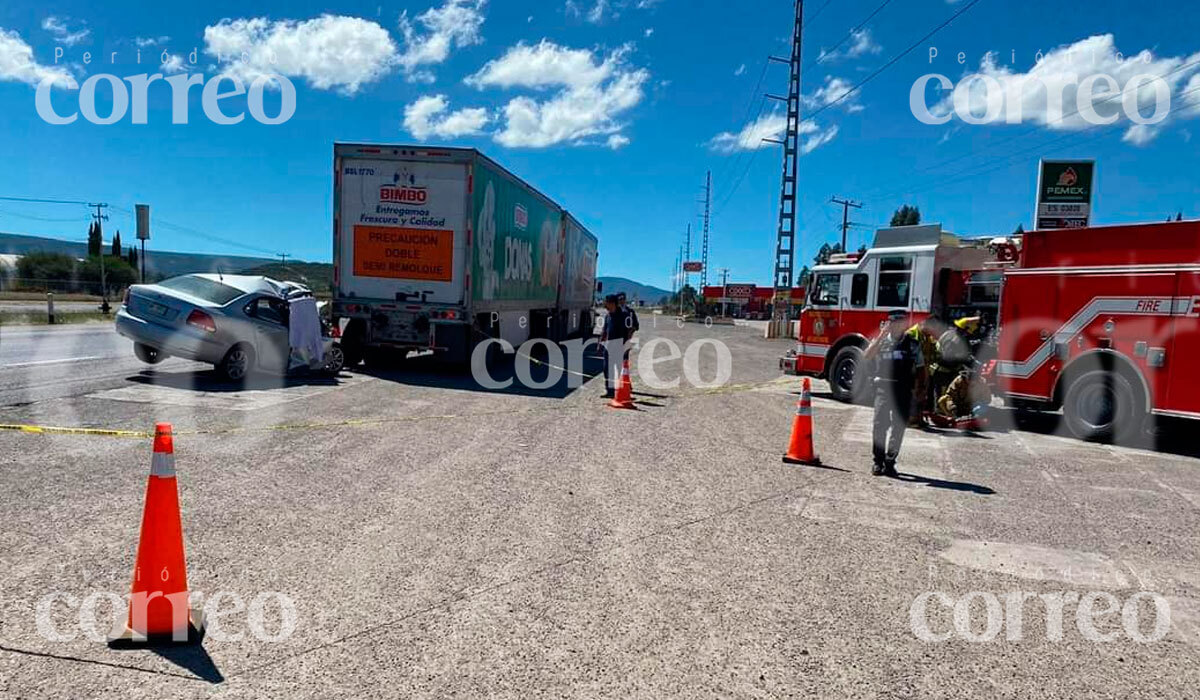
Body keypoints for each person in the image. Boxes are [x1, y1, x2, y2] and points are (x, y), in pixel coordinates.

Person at [864, 310, 925, 476]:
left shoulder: (912, 344)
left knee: (898, 427)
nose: (896, 327)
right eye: (892, 324)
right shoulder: (881, 341)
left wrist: (920, 390)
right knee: (879, 426)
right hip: (883, 389)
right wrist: (881, 336)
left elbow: (920, 368)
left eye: (900, 324)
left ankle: (890, 462)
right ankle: (878, 461)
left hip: (903, 390)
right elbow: (867, 356)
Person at [599, 295, 629, 398]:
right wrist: (600, 343)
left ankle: (622, 390)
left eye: (606, 302)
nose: (605, 305)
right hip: (608, 346)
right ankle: (610, 391)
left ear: (612, 303)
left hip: (619, 346)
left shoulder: (624, 315)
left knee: (619, 369)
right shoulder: (608, 316)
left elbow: (628, 331)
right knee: (606, 369)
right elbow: (604, 330)